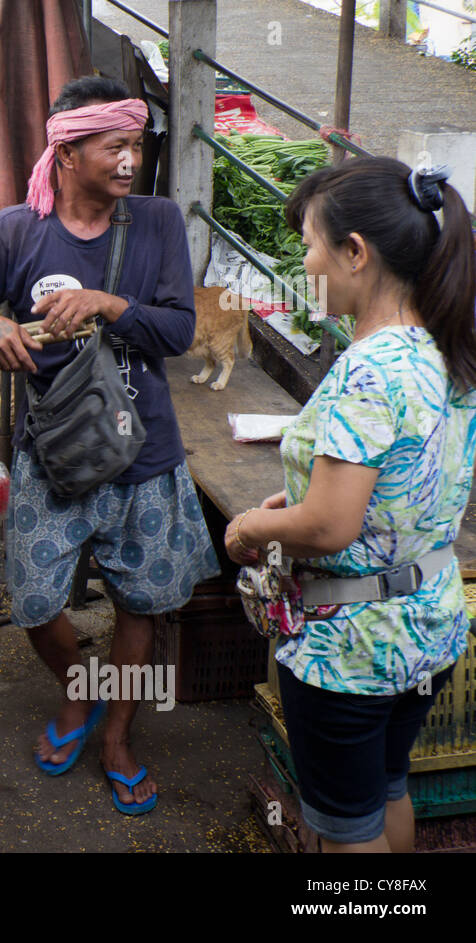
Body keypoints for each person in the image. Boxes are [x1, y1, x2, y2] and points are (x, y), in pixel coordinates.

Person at [0, 76, 219, 815]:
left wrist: (111, 305)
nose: (129, 161)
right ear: (66, 152)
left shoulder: (154, 223)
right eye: (113, 146)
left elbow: (179, 331)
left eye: (136, 145)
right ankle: (78, 687)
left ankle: (118, 736)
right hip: (52, 455)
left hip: (143, 450)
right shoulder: (18, 230)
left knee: (140, 602)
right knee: (30, 597)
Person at [224, 157, 476, 852]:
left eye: (310, 244)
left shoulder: (369, 366)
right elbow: (401, 477)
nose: (305, 262)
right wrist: (305, 496)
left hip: (353, 646)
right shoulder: (446, 345)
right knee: (388, 786)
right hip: (427, 621)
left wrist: (250, 526)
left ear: (355, 252)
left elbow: (330, 525)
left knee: (344, 827)